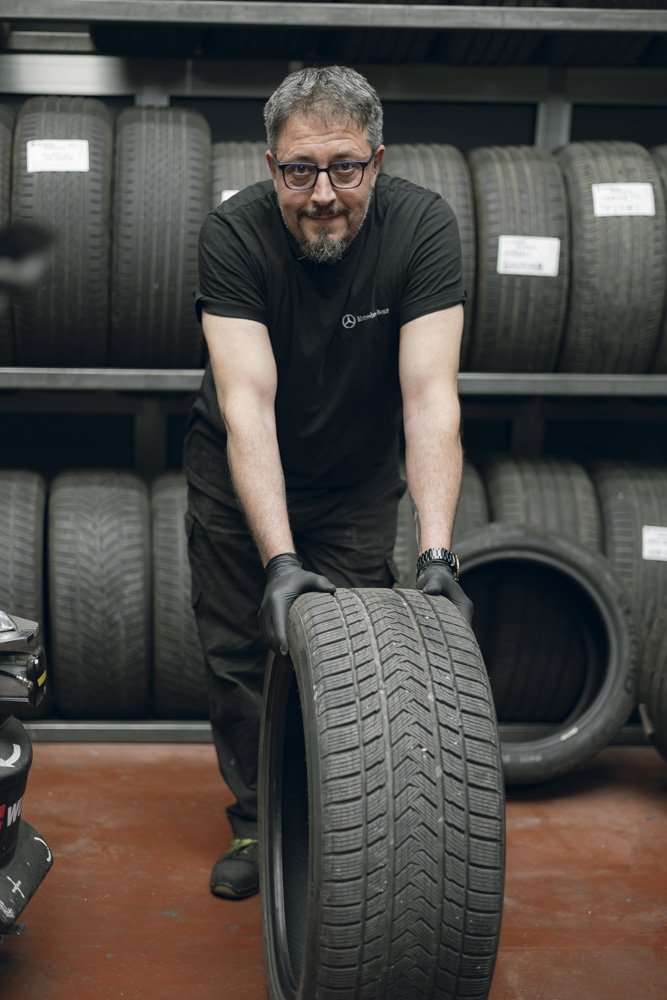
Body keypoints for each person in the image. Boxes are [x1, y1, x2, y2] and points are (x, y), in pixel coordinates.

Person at [183, 64, 473, 900]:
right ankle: (253, 824)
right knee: (241, 652)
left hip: (353, 478)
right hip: (241, 468)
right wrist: (277, 558)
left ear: (376, 162)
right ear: (270, 166)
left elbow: (429, 399)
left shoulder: (422, 229)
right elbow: (247, 404)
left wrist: (437, 557)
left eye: (344, 167)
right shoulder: (234, 235)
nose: (322, 193)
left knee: (351, 657)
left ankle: (337, 824)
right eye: (298, 170)